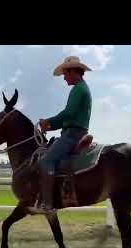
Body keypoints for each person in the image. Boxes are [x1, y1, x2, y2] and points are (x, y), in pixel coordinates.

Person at [37, 56, 93, 212]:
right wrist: (50, 125)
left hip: (72, 135)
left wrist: (48, 121)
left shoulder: (78, 89)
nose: (64, 78)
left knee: (46, 161)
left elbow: (68, 113)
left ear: (74, 71)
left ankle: (47, 204)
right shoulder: (82, 88)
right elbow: (69, 117)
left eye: (65, 74)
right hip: (75, 131)